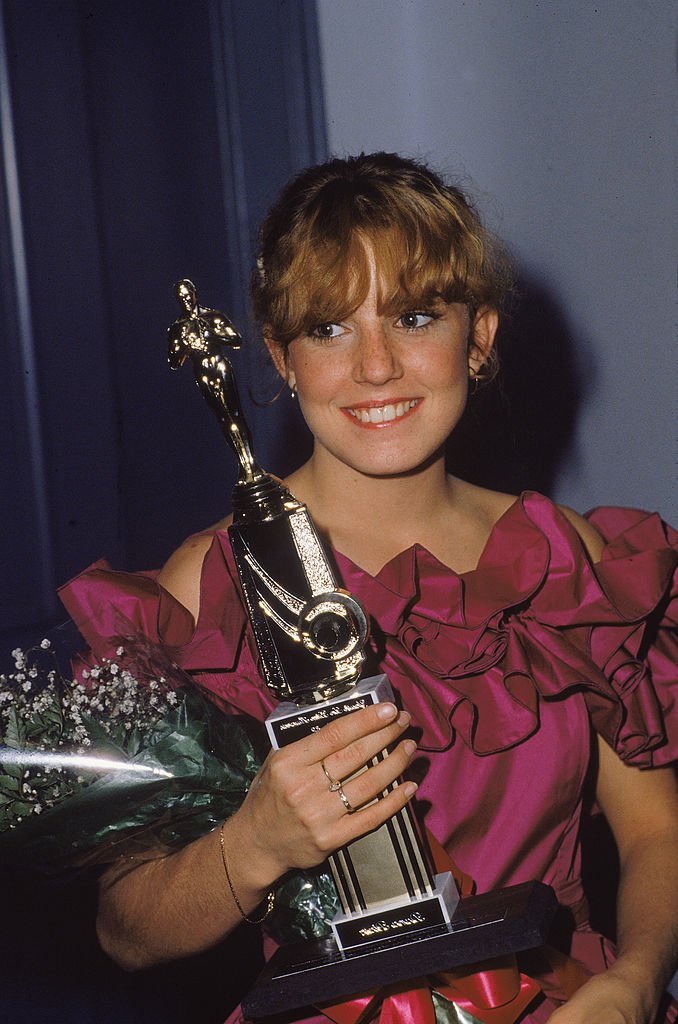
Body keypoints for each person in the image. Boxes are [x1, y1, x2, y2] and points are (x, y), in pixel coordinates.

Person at [60, 153, 678, 1023]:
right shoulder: (210, 588)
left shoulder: (567, 558)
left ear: (481, 336)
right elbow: (126, 929)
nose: (377, 366)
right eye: (329, 328)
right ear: (280, 357)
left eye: (415, 315)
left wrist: (638, 981)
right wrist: (257, 842)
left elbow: (654, 831)